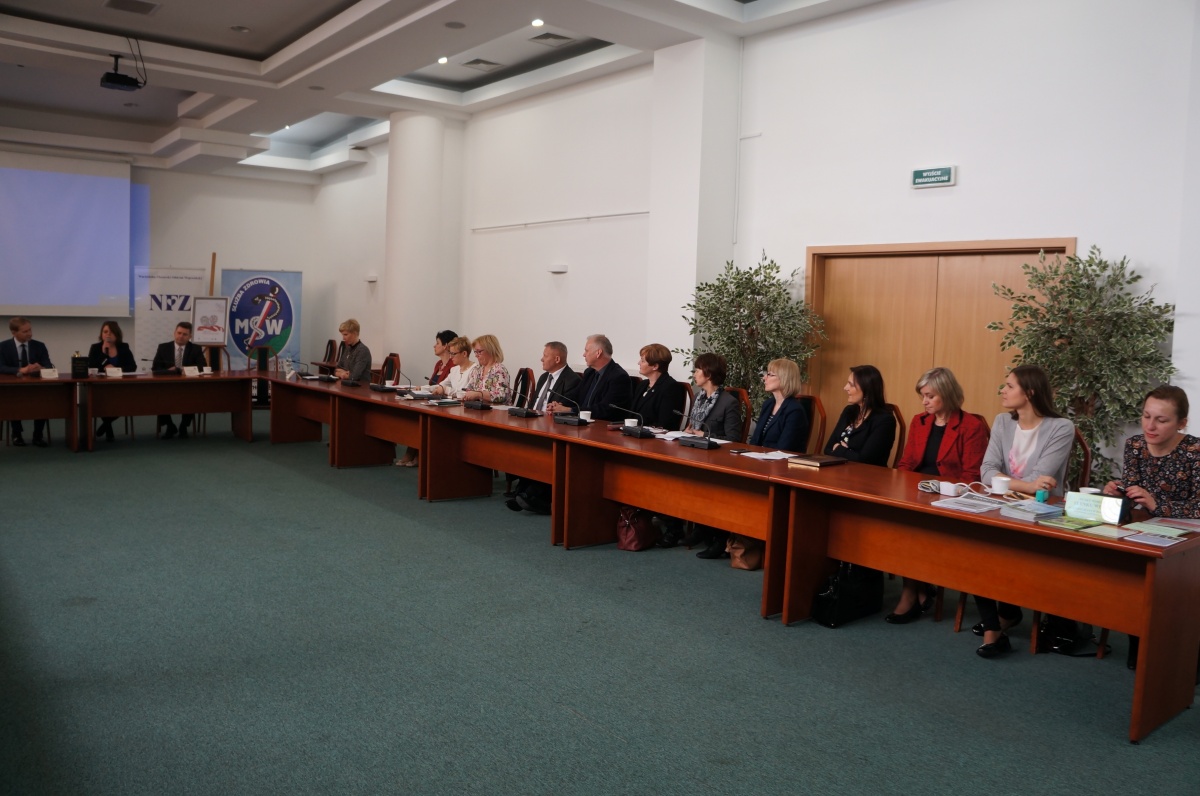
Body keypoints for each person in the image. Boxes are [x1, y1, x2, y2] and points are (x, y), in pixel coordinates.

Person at [974, 364, 1075, 658]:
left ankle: (1002, 618)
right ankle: (995, 626)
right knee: (974, 544)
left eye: (1009, 386)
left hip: (1042, 514)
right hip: (1003, 507)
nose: (1003, 390)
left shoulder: (1061, 427)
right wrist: (1026, 485)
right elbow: (986, 471)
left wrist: (1015, 484)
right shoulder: (1003, 422)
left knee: (1000, 548)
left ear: (1029, 392)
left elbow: (1042, 480)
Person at [885, 367, 990, 624]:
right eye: (923, 396)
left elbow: (972, 476)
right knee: (893, 519)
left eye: (930, 396)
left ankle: (911, 592)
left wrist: (941, 493)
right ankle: (920, 588)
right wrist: (901, 489)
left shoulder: (971, 426)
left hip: (949, 499)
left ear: (947, 393)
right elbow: (906, 463)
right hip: (916, 494)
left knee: (912, 527)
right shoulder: (919, 422)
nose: (924, 402)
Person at [698, 358, 809, 560]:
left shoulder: (794, 410)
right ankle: (719, 537)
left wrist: (757, 457)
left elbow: (785, 449)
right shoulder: (769, 404)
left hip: (780, 470)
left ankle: (725, 540)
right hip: (760, 463)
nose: (764, 378)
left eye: (770, 374)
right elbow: (756, 441)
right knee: (721, 481)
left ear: (784, 378)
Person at [1103, 385, 1200, 516]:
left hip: (1186, 527)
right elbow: (1132, 495)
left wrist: (1156, 505)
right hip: (1146, 523)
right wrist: (1119, 493)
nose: (1150, 426)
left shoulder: (1195, 450)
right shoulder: (1135, 445)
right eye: (1146, 416)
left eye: (1161, 420)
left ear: (1181, 424)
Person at [824, 364, 895, 465]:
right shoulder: (849, 411)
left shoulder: (885, 420)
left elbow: (865, 460)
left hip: (866, 474)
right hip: (839, 470)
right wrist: (851, 453)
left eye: (851, 384)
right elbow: (828, 449)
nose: (845, 388)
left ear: (867, 389)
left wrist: (839, 449)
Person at [548, 334, 631, 419]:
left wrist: (570, 410)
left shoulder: (619, 377)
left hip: (601, 424)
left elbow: (606, 409)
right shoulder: (590, 372)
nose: (584, 354)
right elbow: (575, 395)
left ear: (598, 353)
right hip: (582, 422)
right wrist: (559, 405)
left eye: (586, 351)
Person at [0, 316, 54, 447]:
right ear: (14, 332)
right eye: (25, 331)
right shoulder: (3, 346)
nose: (29, 333)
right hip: (13, 387)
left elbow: (48, 365)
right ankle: (17, 434)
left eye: (30, 330)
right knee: (13, 400)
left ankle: (38, 435)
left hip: (36, 386)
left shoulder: (39, 346)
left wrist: (40, 368)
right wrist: (20, 370)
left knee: (43, 400)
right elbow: (1, 367)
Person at [151, 321, 208, 439]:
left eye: (184, 334)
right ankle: (170, 425)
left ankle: (184, 426)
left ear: (190, 336)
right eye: (179, 333)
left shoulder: (195, 349)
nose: (181, 336)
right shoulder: (163, 347)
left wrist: (183, 369)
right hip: (166, 386)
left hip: (188, 386)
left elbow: (202, 367)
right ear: (174, 333)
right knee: (158, 396)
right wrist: (169, 371)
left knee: (192, 397)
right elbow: (155, 369)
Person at [87, 320, 137, 442]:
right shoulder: (96, 348)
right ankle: (108, 427)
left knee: (125, 402)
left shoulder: (124, 347)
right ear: (101, 334)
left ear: (117, 334)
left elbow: (132, 366)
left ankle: (106, 424)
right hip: (101, 386)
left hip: (120, 386)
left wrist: (117, 369)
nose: (108, 335)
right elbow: (91, 366)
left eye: (111, 332)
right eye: (105, 332)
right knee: (100, 401)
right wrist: (104, 353)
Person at [684, 353, 743, 442]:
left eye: (697, 371)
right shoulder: (697, 398)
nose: (694, 375)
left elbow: (733, 439)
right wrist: (687, 432)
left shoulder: (729, 402)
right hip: (692, 445)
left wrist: (704, 435)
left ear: (708, 375)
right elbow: (691, 428)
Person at [629, 343, 686, 428]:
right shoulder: (642, 384)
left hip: (652, 435)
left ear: (655, 366)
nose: (638, 363)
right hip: (633, 432)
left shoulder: (671, 388)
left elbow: (666, 424)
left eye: (643, 361)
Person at [527, 341, 581, 411]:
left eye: (545, 356)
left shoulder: (573, 380)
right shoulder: (543, 377)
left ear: (557, 359)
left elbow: (563, 408)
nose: (542, 359)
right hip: (531, 415)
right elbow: (533, 403)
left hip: (549, 417)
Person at [460, 334, 511, 404]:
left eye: (479, 351)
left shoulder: (499, 369)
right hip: (478, 408)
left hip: (497, 409)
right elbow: (469, 389)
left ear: (490, 350)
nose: (476, 355)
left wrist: (479, 394)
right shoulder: (477, 369)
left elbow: (502, 395)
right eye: (475, 352)